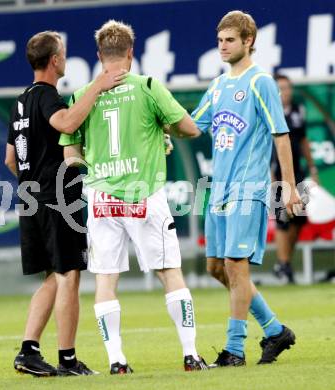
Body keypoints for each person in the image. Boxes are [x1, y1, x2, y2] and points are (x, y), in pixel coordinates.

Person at [59, 20, 208, 374]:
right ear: (131, 53)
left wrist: (99, 168)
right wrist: (163, 130)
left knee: (106, 280)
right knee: (170, 272)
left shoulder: (81, 96)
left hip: (100, 198)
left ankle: (116, 362)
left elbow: (71, 157)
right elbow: (190, 128)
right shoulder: (148, 87)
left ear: (98, 56)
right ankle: (190, 355)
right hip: (144, 195)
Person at [5, 30, 126, 377]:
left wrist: (32, 185)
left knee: (53, 277)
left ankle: (28, 350)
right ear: (56, 60)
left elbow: (10, 158)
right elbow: (67, 122)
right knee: (69, 273)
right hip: (57, 199)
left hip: (30, 198)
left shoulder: (20, 100)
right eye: (64, 53)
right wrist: (97, 87)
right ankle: (68, 360)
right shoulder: (47, 97)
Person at [192, 11, 301, 366]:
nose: (222, 46)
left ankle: (234, 350)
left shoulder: (261, 82)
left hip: (247, 188)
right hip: (218, 190)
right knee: (216, 268)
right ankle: (274, 330)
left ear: (248, 41)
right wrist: (156, 118)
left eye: (230, 40)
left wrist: (288, 187)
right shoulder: (219, 85)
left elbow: (280, 136)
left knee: (236, 267)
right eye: (219, 40)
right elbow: (192, 126)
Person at [272, 74, 319, 283]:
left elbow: (303, 140)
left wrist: (312, 166)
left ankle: (285, 263)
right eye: (280, 88)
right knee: (282, 219)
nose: (285, 92)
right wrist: (270, 177)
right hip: (276, 173)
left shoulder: (299, 111)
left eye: (287, 87)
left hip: (297, 173)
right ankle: (283, 266)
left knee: (298, 219)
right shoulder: (269, 112)